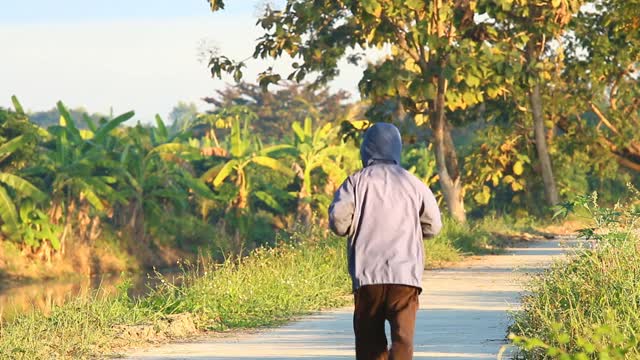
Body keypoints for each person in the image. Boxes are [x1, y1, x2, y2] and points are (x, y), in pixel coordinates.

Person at [328, 122, 442, 360]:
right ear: (396, 149)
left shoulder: (355, 182)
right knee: (403, 338)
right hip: (405, 276)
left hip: (368, 277)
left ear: (366, 149)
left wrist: (354, 227)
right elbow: (433, 226)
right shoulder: (414, 183)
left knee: (369, 341)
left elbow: (339, 222)